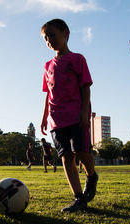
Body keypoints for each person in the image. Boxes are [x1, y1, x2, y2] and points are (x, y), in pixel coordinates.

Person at [40, 18, 99, 212]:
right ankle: (78, 198)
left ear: (65, 34)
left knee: (82, 152)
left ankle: (91, 175)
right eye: (45, 38)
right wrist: (44, 116)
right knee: (65, 156)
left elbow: (86, 87)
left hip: (76, 115)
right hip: (56, 120)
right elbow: (48, 94)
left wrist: (85, 111)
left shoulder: (77, 59)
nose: (49, 40)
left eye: (52, 35)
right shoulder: (47, 65)